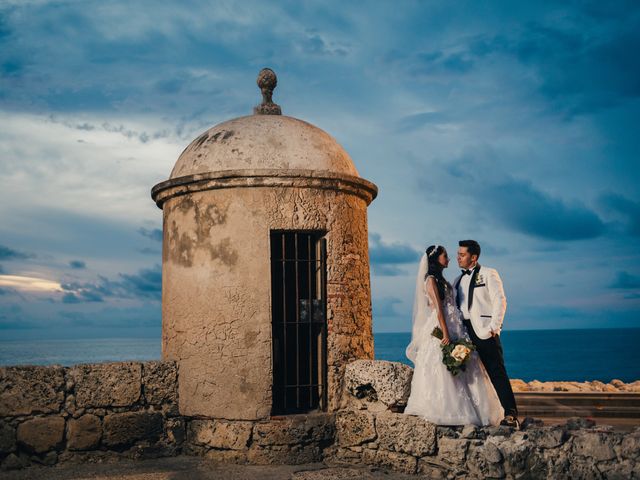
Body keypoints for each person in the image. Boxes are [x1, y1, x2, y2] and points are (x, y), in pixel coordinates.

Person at [405, 245, 503, 426]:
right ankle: (449, 411)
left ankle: (478, 409)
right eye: (445, 256)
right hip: (444, 327)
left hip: (456, 325)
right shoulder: (431, 280)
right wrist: (445, 333)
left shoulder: (445, 280)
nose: (449, 259)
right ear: (436, 260)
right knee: (443, 367)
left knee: (467, 365)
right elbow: (438, 309)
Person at [453, 239, 519, 428]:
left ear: (473, 258)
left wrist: (494, 328)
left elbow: (500, 300)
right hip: (464, 333)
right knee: (469, 375)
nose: (458, 257)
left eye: (462, 254)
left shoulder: (489, 273)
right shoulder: (457, 280)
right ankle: (474, 415)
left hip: (484, 331)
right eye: (458, 254)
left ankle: (511, 414)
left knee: (497, 371)